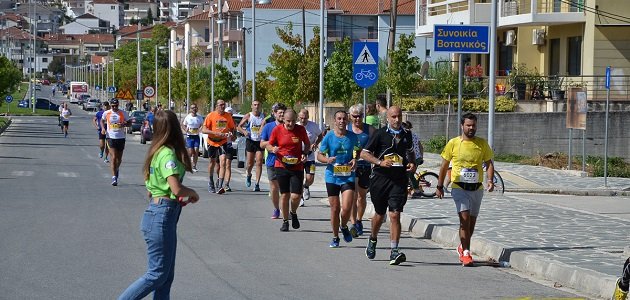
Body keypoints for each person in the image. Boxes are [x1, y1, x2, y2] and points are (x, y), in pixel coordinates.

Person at [118, 110, 200, 300]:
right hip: (162, 215)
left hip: (161, 211)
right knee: (157, 274)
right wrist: (192, 193)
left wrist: (173, 196)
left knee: (165, 277)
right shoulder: (167, 155)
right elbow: (177, 188)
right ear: (172, 129)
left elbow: (153, 189)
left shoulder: (157, 151)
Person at [436, 113, 494, 267]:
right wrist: (439, 186)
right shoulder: (453, 143)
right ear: (462, 126)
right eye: (468, 125)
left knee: (471, 224)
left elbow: (489, 163)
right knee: (464, 219)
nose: (471, 128)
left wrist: (490, 181)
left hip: (476, 189)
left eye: (473, 125)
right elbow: (443, 166)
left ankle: (462, 246)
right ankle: (467, 253)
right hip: (459, 187)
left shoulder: (481, 144)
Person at [360, 106, 416, 265]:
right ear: (387, 119)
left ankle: (394, 250)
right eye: (393, 117)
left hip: (399, 180)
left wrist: (412, 163)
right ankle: (373, 239)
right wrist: (380, 162)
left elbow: (411, 152)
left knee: (395, 214)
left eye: (399, 116)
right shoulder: (379, 134)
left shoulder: (407, 135)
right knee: (379, 214)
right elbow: (364, 154)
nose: (397, 120)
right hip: (380, 179)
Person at [317, 110, 358, 247]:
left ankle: (344, 226)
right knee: (335, 209)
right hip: (332, 177)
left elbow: (357, 151)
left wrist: (354, 159)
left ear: (347, 121)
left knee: (346, 208)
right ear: (334, 121)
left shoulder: (352, 137)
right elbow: (319, 155)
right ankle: (335, 237)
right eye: (339, 118)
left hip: (348, 176)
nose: (341, 121)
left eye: (344, 119)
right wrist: (327, 159)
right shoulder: (328, 137)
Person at [265, 109, 310, 232]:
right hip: (281, 165)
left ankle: (293, 212)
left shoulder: (300, 130)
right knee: (285, 195)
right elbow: (269, 144)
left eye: (293, 121)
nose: (291, 124)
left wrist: (304, 153)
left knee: (296, 196)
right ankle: (285, 221)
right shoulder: (277, 130)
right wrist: (272, 149)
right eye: (288, 121)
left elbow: (307, 144)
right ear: (283, 120)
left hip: (297, 166)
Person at [348, 104, 375, 237]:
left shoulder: (369, 130)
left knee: (361, 196)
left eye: (360, 116)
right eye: (354, 116)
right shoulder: (346, 128)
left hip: (365, 166)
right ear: (350, 117)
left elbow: (376, 146)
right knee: (352, 196)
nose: (357, 119)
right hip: (350, 167)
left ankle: (359, 220)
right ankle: (353, 223)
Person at [201, 99, 235, 194]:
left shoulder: (228, 116)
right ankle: (211, 181)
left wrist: (231, 134)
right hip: (212, 142)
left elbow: (232, 128)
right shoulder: (211, 115)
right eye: (220, 105)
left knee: (223, 161)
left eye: (224, 105)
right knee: (212, 162)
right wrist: (214, 133)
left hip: (222, 142)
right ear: (216, 106)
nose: (223, 106)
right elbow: (204, 130)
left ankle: (220, 186)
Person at [260, 103, 286, 219]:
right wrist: (273, 145)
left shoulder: (290, 126)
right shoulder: (268, 127)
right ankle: (276, 208)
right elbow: (262, 144)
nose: (281, 115)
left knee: (286, 187)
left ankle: (285, 209)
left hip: (287, 161)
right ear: (275, 114)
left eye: (283, 113)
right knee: (274, 187)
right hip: (272, 160)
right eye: (279, 113)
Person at [101, 99, 131, 186]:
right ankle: (114, 177)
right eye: (113, 106)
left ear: (118, 105)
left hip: (121, 137)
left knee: (119, 159)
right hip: (110, 137)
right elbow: (102, 121)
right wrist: (103, 128)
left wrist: (124, 124)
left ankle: (116, 168)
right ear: (110, 105)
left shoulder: (123, 113)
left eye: (116, 106)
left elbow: (129, 123)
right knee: (113, 157)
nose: (114, 107)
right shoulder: (107, 113)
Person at [238, 100, 265, 192]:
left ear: (260, 106)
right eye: (255, 105)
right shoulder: (248, 116)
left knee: (259, 161)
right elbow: (239, 127)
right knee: (249, 163)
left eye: (258, 105)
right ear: (251, 106)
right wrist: (244, 131)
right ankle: (249, 174)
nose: (256, 106)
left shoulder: (263, 116)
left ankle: (257, 184)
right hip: (250, 140)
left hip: (259, 141)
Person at [297, 109, 322, 206]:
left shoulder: (313, 126)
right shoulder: (296, 126)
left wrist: (315, 143)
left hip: (310, 155)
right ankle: (300, 197)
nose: (303, 120)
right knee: (299, 177)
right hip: (299, 155)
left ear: (308, 117)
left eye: (305, 118)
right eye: (301, 118)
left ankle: (306, 186)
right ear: (299, 117)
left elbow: (320, 136)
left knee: (310, 177)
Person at [402, 121, 425, 198]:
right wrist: (421, 157)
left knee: (410, 175)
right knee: (408, 175)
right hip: (417, 157)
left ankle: (417, 191)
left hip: (412, 159)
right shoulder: (414, 135)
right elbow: (421, 147)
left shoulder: (405, 135)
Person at [182, 104, 204, 173]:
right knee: (191, 152)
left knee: (196, 150)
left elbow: (202, 125)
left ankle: (194, 166)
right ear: (190, 109)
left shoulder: (199, 117)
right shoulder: (188, 117)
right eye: (192, 108)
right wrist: (186, 130)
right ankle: (187, 163)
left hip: (196, 136)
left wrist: (199, 130)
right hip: (189, 136)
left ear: (197, 109)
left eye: (195, 108)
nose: (194, 109)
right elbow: (183, 124)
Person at [222, 106, 237, 191]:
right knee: (220, 165)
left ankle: (226, 184)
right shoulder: (221, 121)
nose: (230, 116)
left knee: (228, 165)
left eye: (231, 115)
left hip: (229, 145)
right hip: (220, 144)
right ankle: (220, 179)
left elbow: (234, 137)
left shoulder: (233, 124)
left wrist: (232, 136)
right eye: (228, 114)